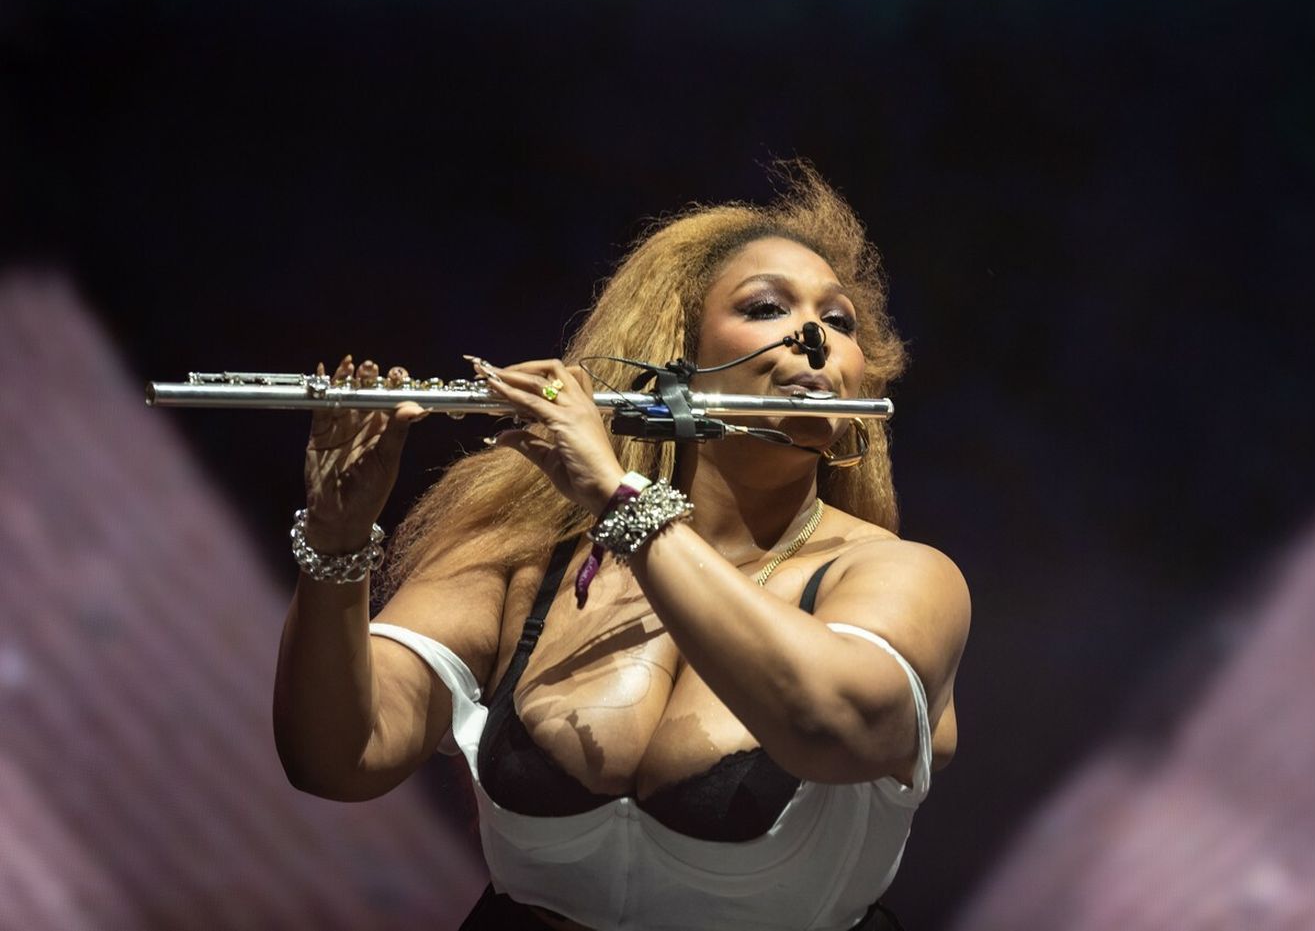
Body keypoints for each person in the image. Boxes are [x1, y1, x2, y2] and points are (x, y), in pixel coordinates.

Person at [272, 165, 970, 930]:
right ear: (675, 354)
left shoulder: (904, 575)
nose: (815, 337)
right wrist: (335, 545)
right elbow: (337, 757)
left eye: (839, 321)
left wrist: (617, 496)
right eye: (767, 307)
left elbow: (828, 722)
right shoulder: (522, 556)